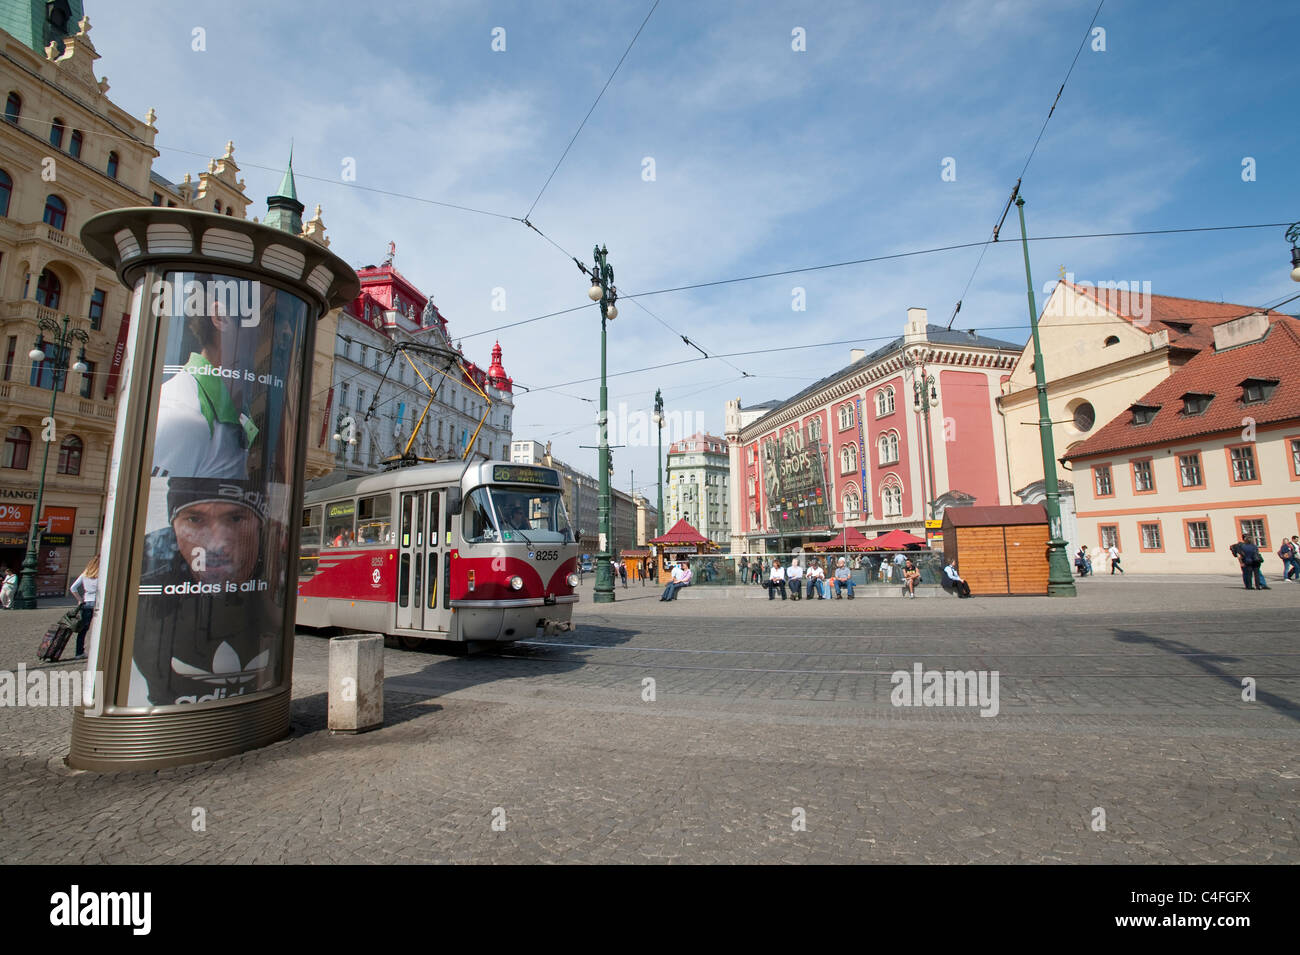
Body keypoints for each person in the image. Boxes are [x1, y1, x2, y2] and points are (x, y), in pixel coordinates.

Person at [68, 555, 100, 658]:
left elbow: (73, 588)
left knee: (83, 630)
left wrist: (80, 600)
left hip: (86, 603)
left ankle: (79, 652)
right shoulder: (101, 575)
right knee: (98, 629)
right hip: (97, 603)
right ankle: (97, 651)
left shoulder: (85, 574)